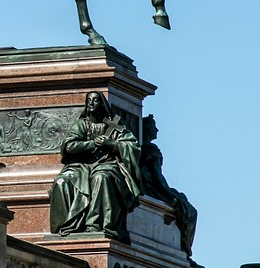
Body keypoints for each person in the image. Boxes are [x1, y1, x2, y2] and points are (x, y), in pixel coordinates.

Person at [49, 92, 141, 242]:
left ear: (102, 104)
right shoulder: (81, 124)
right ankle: (67, 226)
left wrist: (112, 145)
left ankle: (95, 225)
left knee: (101, 178)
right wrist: (92, 144)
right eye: (89, 100)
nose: (91, 103)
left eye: (96, 100)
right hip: (81, 166)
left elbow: (133, 147)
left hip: (107, 165)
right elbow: (69, 146)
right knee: (61, 181)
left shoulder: (115, 126)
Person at [139, 114, 198, 257]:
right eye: (154, 127)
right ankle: (185, 250)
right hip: (152, 188)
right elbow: (158, 178)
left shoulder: (142, 149)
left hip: (146, 186)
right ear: (147, 129)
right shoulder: (151, 151)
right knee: (190, 210)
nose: (157, 130)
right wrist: (171, 196)